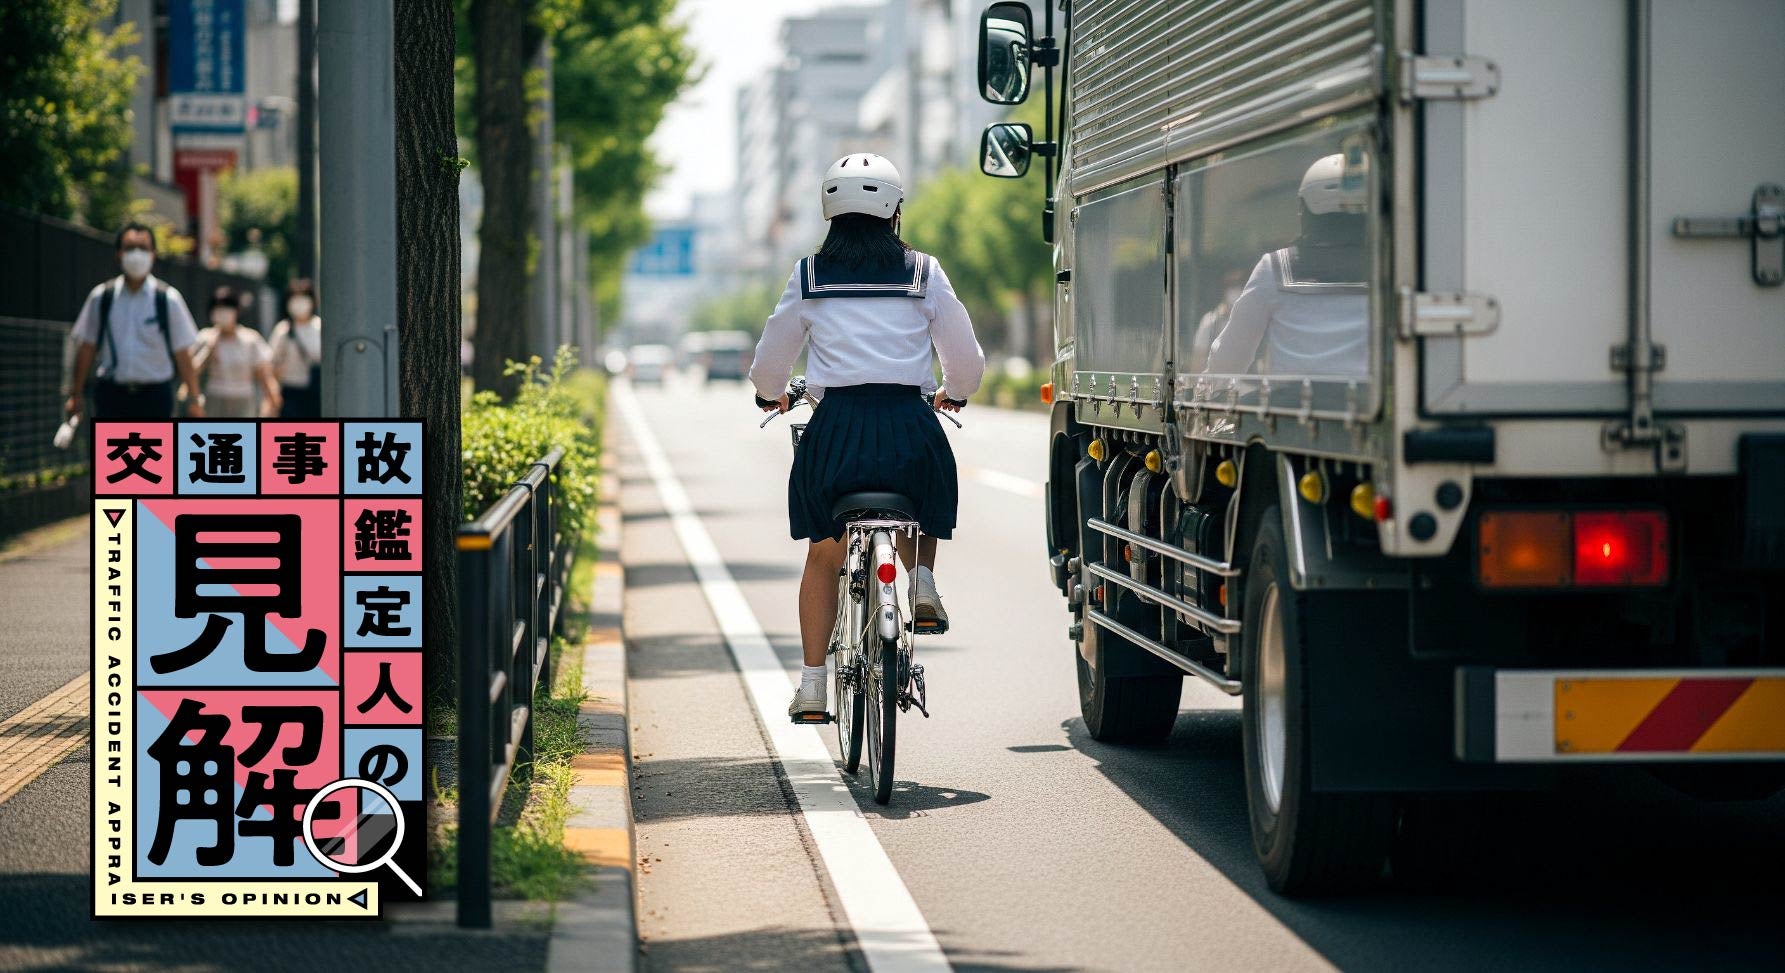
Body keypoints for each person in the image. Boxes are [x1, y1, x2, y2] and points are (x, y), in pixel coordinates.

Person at [749, 153, 985, 722]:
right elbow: (967, 363)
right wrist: (953, 391)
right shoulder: (923, 273)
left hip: (836, 435)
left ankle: (811, 685)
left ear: (829, 211)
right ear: (894, 211)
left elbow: (769, 364)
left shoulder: (810, 276)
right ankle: (922, 580)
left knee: (824, 555)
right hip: (908, 425)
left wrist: (772, 394)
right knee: (921, 498)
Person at [1204, 152, 1371, 378]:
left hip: (1292, 408)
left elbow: (1231, 356)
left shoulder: (1275, 267)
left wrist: (1209, 392)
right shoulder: (1391, 269)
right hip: (1369, 404)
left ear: (1303, 210)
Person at [65, 222, 206, 420]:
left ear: (153, 254)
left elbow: (183, 353)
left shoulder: (168, 299)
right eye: (130, 248)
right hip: (112, 396)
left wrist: (194, 399)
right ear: (118, 254)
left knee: (154, 450)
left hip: (156, 397)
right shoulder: (101, 297)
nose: (136, 254)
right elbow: (87, 347)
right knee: (115, 451)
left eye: (143, 248)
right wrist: (75, 393)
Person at [193, 285, 280, 418]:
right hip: (214, 400)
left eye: (227, 308)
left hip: (243, 401)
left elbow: (263, 374)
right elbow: (192, 371)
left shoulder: (250, 339)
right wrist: (209, 349)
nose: (223, 313)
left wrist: (272, 401)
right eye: (218, 309)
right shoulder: (205, 338)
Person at [268, 278, 322, 417]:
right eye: (295, 300)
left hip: (316, 390)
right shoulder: (283, 330)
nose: (299, 304)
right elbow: (272, 365)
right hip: (290, 391)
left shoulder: (320, 327)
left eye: (303, 299)